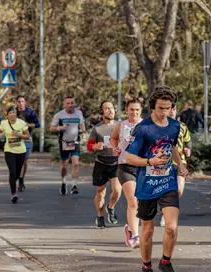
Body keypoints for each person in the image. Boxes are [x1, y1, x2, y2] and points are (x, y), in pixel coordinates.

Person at [125, 86, 187, 272]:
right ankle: (146, 268)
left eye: (168, 108)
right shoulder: (142, 128)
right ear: (153, 106)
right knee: (147, 230)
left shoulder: (175, 126)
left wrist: (180, 164)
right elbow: (129, 157)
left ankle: (165, 262)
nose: (164, 112)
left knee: (171, 227)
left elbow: (172, 146)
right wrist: (150, 162)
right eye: (160, 108)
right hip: (147, 185)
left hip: (167, 182)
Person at [110, 95, 144, 249]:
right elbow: (113, 138)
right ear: (126, 110)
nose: (134, 112)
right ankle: (135, 235)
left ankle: (130, 228)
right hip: (125, 166)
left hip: (142, 168)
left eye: (137, 110)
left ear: (141, 111)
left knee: (142, 203)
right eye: (131, 110)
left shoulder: (147, 125)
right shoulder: (121, 125)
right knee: (133, 201)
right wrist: (114, 148)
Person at [88, 101, 121, 229]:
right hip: (101, 163)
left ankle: (110, 207)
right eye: (106, 108)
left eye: (112, 108)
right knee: (101, 193)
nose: (110, 110)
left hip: (116, 163)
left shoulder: (120, 126)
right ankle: (100, 216)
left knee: (117, 190)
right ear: (102, 111)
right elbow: (89, 146)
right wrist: (95, 146)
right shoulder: (97, 128)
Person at [50, 96, 86, 195]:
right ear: (64, 105)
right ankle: (63, 181)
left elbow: (82, 123)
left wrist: (83, 133)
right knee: (64, 166)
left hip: (75, 142)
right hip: (64, 142)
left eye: (72, 103)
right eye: (68, 103)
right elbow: (51, 128)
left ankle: (74, 185)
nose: (70, 105)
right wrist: (60, 128)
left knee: (76, 164)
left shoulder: (79, 113)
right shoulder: (59, 115)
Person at [0, 106, 30, 203]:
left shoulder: (21, 123)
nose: (12, 114)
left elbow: (27, 136)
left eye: (14, 112)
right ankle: (13, 194)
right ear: (7, 115)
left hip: (21, 151)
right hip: (9, 151)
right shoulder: (4, 123)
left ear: (16, 114)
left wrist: (18, 134)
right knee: (12, 172)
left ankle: (13, 184)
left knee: (17, 173)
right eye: (10, 113)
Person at [15, 95, 40, 191]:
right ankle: (19, 179)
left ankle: (21, 180)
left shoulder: (30, 112)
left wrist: (29, 125)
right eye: (19, 101)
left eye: (22, 101)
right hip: (16, 139)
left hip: (27, 139)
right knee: (18, 161)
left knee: (25, 161)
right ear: (16, 103)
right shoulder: (13, 111)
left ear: (25, 102)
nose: (21, 103)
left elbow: (38, 124)